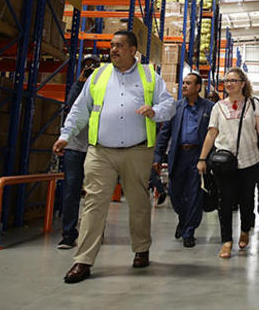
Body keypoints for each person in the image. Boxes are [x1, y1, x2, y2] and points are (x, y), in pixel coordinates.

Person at [54, 30, 175, 284]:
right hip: (101, 151)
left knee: (139, 203)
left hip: (137, 150)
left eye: (119, 46)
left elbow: (169, 105)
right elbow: (80, 109)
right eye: (112, 45)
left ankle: (141, 248)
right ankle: (83, 260)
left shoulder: (149, 77)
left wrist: (154, 111)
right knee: (93, 204)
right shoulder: (98, 76)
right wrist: (66, 135)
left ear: (133, 51)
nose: (113, 50)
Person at [197, 67, 259, 259]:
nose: (229, 84)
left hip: (249, 161)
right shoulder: (218, 107)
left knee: (247, 200)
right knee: (225, 202)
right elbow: (211, 133)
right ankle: (226, 241)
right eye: (227, 80)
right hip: (224, 163)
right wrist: (202, 158)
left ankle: (245, 230)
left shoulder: (253, 104)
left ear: (242, 83)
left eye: (233, 80)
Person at [153, 72, 213, 248]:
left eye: (188, 83)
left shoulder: (209, 108)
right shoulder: (176, 107)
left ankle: (189, 231)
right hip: (178, 155)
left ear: (198, 87)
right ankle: (183, 218)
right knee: (175, 193)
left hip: (198, 156)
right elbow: (165, 133)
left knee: (194, 195)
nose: (184, 86)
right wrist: (158, 155)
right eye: (183, 83)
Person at [56, 54, 100, 250]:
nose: (90, 69)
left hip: (96, 146)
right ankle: (68, 234)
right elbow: (70, 107)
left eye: (93, 67)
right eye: (87, 66)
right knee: (71, 190)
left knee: (96, 193)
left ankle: (94, 232)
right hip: (74, 146)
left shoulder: (103, 88)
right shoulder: (76, 86)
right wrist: (81, 83)